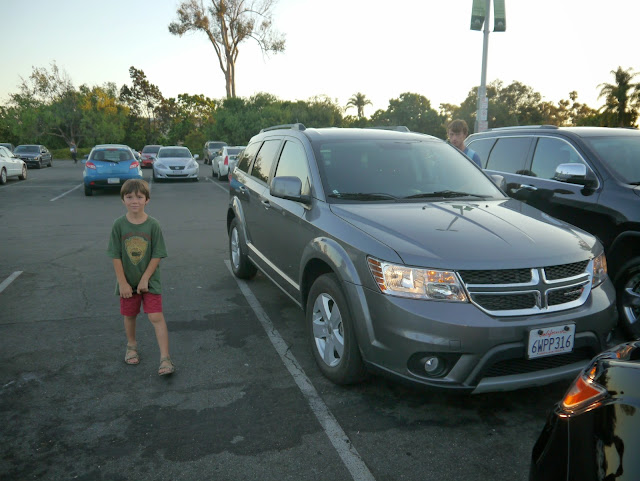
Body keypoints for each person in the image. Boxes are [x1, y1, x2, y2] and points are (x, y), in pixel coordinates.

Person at [107, 179, 175, 376]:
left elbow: (157, 254)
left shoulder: (153, 225)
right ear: (123, 200)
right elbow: (115, 255)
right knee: (130, 315)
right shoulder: (118, 225)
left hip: (150, 280)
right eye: (129, 197)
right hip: (127, 280)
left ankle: (165, 358)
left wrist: (145, 278)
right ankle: (131, 345)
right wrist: (122, 282)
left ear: (147, 200)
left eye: (139, 197)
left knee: (155, 316)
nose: (134, 201)